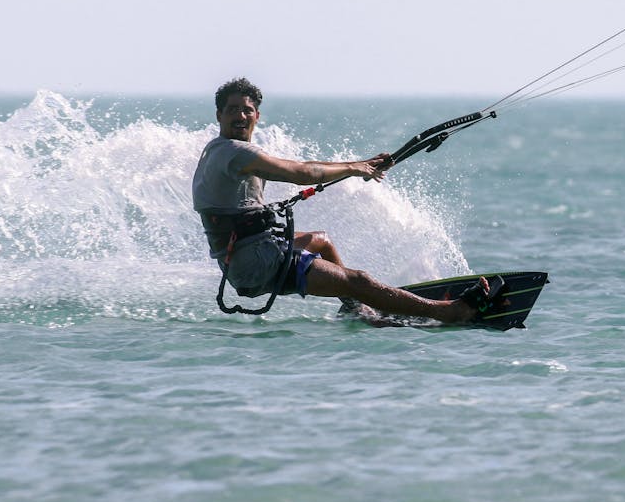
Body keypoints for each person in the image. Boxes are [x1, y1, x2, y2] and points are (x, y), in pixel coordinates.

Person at [192, 77, 493, 324]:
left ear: (257, 115)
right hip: (257, 263)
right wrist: (353, 168)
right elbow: (301, 173)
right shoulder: (235, 153)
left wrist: (362, 164)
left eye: (247, 110)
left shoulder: (219, 149)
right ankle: (451, 312)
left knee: (321, 241)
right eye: (232, 109)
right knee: (358, 279)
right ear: (219, 115)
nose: (240, 116)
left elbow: (304, 164)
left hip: (248, 256)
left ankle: (353, 307)